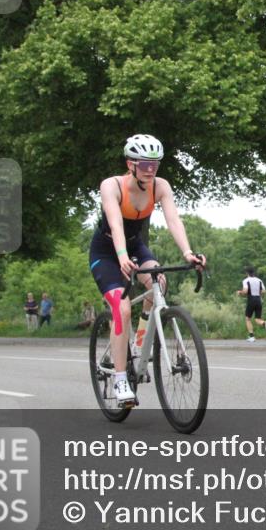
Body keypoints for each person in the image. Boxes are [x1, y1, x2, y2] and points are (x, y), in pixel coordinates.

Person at [89, 134, 205, 405]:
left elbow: (174, 219)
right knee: (122, 307)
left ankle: (140, 346)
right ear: (131, 164)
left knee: (159, 284)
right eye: (144, 164)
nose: (151, 169)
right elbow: (116, 224)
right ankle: (119, 380)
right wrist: (120, 256)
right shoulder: (112, 185)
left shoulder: (160, 186)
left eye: (155, 163)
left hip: (136, 247)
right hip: (106, 252)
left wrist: (188, 252)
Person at [237, 267, 266, 342]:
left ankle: (252, 337)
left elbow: (245, 291)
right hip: (258, 300)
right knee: (257, 319)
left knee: (247, 318)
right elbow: (264, 291)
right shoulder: (259, 280)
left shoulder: (246, 280)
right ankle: (265, 323)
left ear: (247, 273)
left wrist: (240, 292)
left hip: (251, 300)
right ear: (254, 272)